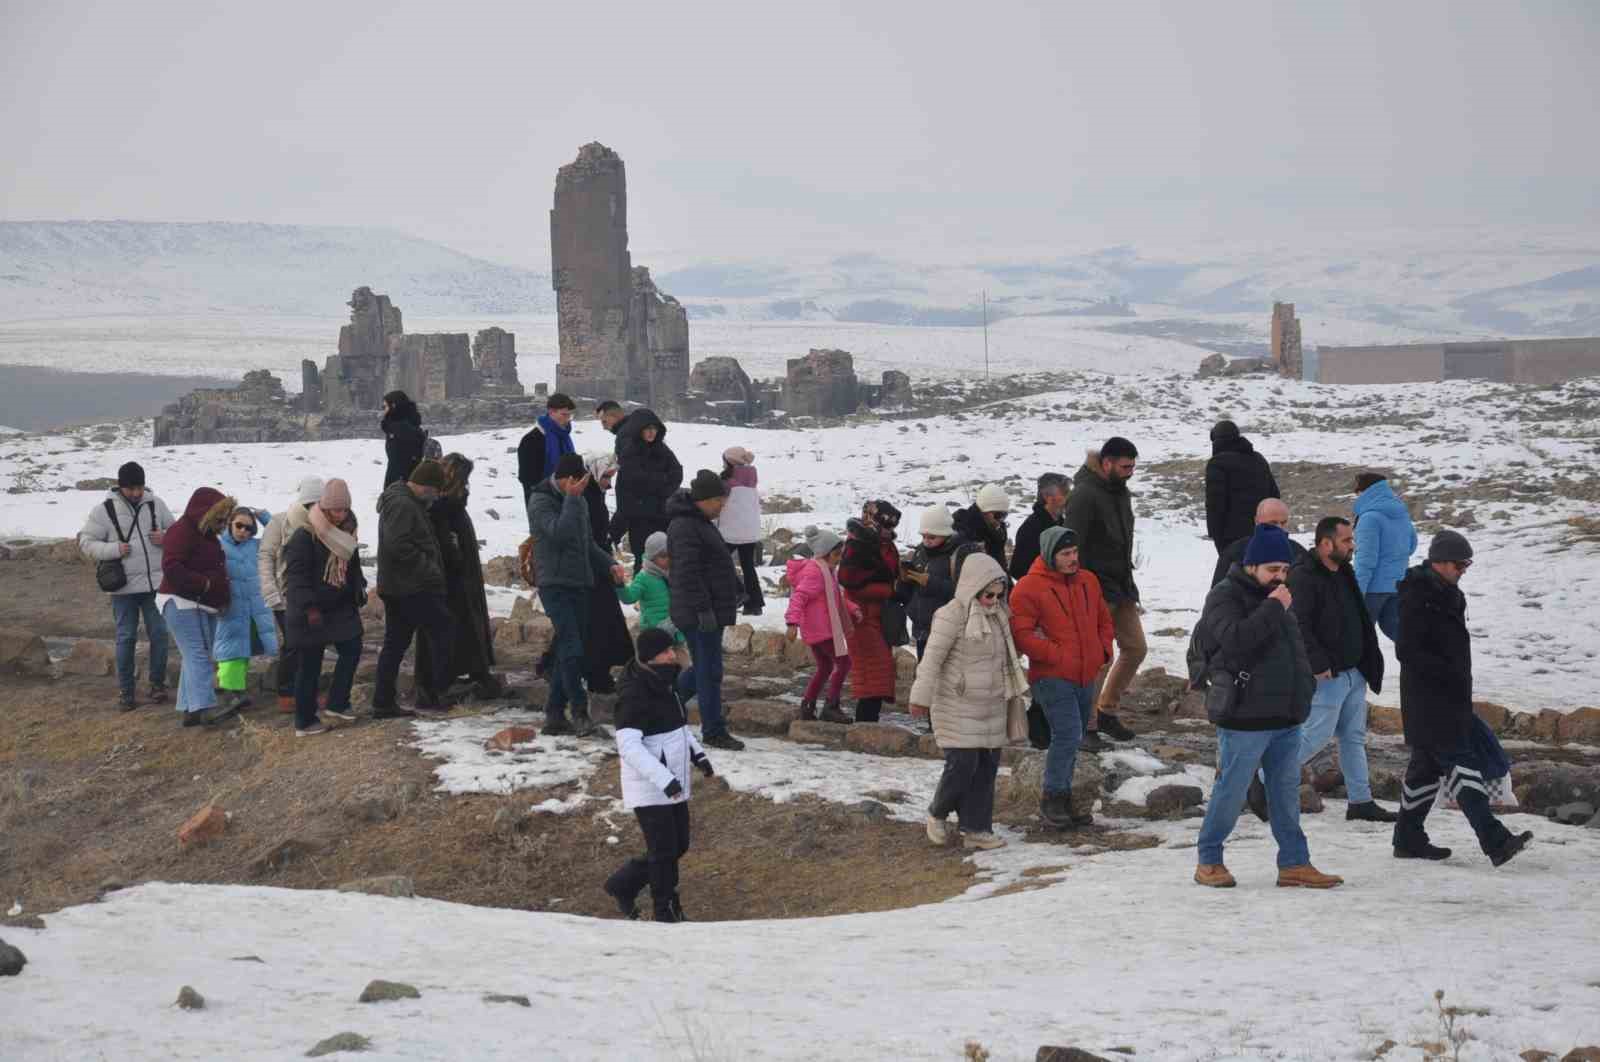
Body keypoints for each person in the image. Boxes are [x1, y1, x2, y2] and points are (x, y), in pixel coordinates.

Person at [1191, 524, 1342, 889]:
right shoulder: (1225, 597)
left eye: (1285, 570)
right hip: (1244, 718)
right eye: (1273, 569)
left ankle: (1294, 863)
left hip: (1286, 717)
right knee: (1230, 792)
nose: (1280, 576)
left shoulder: (1280, 598)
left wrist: (1303, 689)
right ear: (1252, 566)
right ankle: (1208, 859)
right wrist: (1274, 606)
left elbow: (1295, 650)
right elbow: (1237, 640)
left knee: (1285, 793)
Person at [1393, 531, 1532, 867]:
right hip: (1430, 699)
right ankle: (1494, 840)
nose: (1464, 569)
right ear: (1439, 561)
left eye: (1467, 564)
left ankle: (1407, 838)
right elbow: (1406, 650)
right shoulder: (1417, 596)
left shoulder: (1448, 593)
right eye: (1459, 563)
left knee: (1425, 770)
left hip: (1448, 698)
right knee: (1461, 763)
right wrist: (1447, 675)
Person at [911, 553, 1029, 852]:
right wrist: (920, 697)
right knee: (962, 764)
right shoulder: (951, 615)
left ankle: (976, 828)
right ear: (971, 587)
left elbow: (1005, 660)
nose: (992, 600)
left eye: (998, 595)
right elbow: (931, 659)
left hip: (991, 705)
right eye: (987, 594)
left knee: (987, 768)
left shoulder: (999, 616)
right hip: (957, 703)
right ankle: (937, 812)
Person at [1286, 517, 1396, 823]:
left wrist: (1366, 661)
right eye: (1346, 541)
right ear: (1325, 543)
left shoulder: (1344, 571)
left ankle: (1360, 802)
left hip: (1354, 670)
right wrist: (1319, 664)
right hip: (1327, 675)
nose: (1352, 546)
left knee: (1353, 738)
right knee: (1315, 737)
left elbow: (1357, 617)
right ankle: (1261, 780)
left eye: (1352, 540)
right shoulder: (1303, 576)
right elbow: (1298, 624)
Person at [603, 627, 714, 923]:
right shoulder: (634, 693)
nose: (672, 654)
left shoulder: (666, 681)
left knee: (678, 845)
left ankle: (623, 884)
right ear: (652, 657)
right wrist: (664, 779)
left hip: (672, 781)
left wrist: (697, 754)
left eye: (671, 650)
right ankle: (665, 911)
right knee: (664, 850)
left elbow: (678, 727)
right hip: (652, 786)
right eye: (666, 651)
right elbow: (628, 746)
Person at [1010, 526, 1114, 829]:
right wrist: (1056, 654)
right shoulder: (1029, 587)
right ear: (1049, 554)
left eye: (1075, 552)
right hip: (1051, 676)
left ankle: (1064, 801)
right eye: (1065, 554)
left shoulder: (1088, 580)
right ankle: (1052, 800)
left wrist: (1102, 651)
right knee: (1067, 735)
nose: (1073, 559)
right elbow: (1022, 635)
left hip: (1086, 674)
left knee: (1075, 736)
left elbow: (1104, 621)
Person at [527, 453, 630, 737]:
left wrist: (609, 564)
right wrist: (572, 499)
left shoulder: (578, 499)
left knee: (567, 650)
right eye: (575, 483)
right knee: (573, 648)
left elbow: (585, 542)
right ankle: (580, 712)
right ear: (564, 479)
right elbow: (558, 533)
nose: (579, 488)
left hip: (580, 583)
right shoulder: (540, 500)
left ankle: (554, 714)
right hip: (555, 584)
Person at [77, 461, 174, 711]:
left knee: (160, 635)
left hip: (155, 585)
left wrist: (166, 538)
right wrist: (113, 550)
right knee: (126, 638)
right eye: (131, 488)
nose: (136, 493)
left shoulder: (156, 504)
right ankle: (126, 692)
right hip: (123, 589)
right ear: (121, 486)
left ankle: (157, 685)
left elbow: (177, 533)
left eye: (139, 487)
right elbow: (86, 542)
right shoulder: (104, 510)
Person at [1063, 438, 1143, 743]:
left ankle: (1107, 710)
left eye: (1133, 467)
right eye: (1125, 466)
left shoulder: (1118, 491)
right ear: (1107, 463)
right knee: (1099, 656)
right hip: (1094, 587)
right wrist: (1079, 587)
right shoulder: (1084, 495)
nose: (1130, 472)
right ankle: (1086, 724)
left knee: (1135, 648)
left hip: (1121, 585)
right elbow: (1073, 545)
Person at [666, 470, 745, 751]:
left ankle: (664, 703)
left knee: (703, 668)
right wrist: (703, 610)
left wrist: (735, 587)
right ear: (703, 500)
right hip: (698, 612)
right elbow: (689, 573)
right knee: (710, 672)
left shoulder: (699, 522)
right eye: (718, 501)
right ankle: (713, 731)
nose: (721, 506)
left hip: (705, 608)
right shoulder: (685, 526)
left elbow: (715, 561)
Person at [282, 479, 367, 737]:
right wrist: (309, 608)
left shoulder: (348, 532)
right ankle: (304, 722)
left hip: (339, 605)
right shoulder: (305, 535)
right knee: (309, 665)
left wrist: (358, 589)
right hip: (311, 609)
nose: (340, 516)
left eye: (344, 510)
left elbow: (351, 568)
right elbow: (295, 577)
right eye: (335, 511)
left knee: (352, 647)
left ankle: (337, 703)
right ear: (324, 508)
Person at [374, 459, 454, 717]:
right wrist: (429, 568)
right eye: (436, 490)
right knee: (440, 632)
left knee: (396, 643)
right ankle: (432, 694)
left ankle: (384, 702)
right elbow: (399, 545)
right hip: (411, 586)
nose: (437, 496)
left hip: (402, 585)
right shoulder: (403, 504)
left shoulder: (402, 500)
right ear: (426, 486)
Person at [415, 455, 499, 700]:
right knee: (453, 622)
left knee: (463, 619)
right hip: (450, 575)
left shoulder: (449, 504)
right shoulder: (441, 508)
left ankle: (463, 671)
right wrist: (456, 559)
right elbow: (443, 543)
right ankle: (445, 679)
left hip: (460, 572)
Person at [157, 487, 236, 728]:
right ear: (206, 513)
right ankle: (204, 707)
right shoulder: (181, 532)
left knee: (195, 655)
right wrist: (205, 584)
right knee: (197, 655)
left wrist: (218, 596)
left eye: (225, 520)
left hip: (201, 603)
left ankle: (190, 709)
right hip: (179, 601)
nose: (223, 524)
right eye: (220, 519)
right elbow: (172, 567)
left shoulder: (206, 535)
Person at [258, 476, 323, 714]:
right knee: (295, 644)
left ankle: (304, 691)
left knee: (312, 643)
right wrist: (270, 591)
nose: (313, 508)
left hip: (311, 594)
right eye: (310, 503)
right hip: (283, 596)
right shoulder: (279, 522)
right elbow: (266, 556)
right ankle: (287, 693)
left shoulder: (324, 523)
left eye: (317, 503)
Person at [785, 528, 861, 725]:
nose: (839, 559)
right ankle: (831, 706)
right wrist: (791, 622)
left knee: (825, 666)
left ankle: (808, 705)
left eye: (840, 554)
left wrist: (852, 608)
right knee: (844, 663)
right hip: (822, 630)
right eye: (836, 555)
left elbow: (835, 596)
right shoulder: (816, 573)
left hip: (818, 629)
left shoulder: (827, 571)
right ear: (825, 553)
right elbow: (798, 597)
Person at [837, 500, 903, 723]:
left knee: (878, 670)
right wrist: (887, 590)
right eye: (885, 526)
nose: (889, 531)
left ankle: (867, 722)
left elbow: (889, 573)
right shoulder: (858, 545)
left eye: (892, 527)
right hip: (861, 616)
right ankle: (865, 724)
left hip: (879, 615)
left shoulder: (885, 545)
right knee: (873, 669)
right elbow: (847, 580)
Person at [213, 506, 278, 713]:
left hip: (254, 609)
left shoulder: (256, 546)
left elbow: (281, 536)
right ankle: (232, 692)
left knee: (244, 648)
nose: (244, 531)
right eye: (239, 525)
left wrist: (266, 517)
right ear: (230, 523)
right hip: (230, 608)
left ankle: (234, 691)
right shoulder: (218, 545)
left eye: (249, 528)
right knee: (230, 649)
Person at [579, 450, 633, 694]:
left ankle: (596, 673)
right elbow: (587, 539)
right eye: (606, 477)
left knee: (598, 623)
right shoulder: (585, 498)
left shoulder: (594, 495)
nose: (609, 484)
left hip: (599, 566)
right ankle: (595, 675)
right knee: (595, 624)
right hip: (590, 569)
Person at [613, 407, 683, 574]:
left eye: (654, 428)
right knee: (643, 559)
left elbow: (676, 472)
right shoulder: (630, 452)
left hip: (662, 514)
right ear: (639, 430)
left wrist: (661, 486)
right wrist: (660, 480)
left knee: (665, 558)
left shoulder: (662, 449)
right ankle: (644, 599)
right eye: (647, 429)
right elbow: (633, 481)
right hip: (640, 517)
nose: (651, 433)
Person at [1353, 472, 1418, 642]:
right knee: (1403, 637)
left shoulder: (1369, 518)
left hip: (1372, 589)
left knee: (1360, 640)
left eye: (1357, 492)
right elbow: (1411, 546)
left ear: (1364, 492)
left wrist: (1356, 593)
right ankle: (1424, 665)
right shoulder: (1401, 513)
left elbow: (1365, 561)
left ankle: (1364, 669)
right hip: (1397, 585)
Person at [1205, 420, 1281, 555]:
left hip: (1231, 536)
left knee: (1233, 572)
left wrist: (1215, 533)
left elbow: (1215, 504)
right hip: (1262, 531)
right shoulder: (1258, 459)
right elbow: (1274, 495)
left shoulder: (1217, 463)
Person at [901, 506, 962, 659]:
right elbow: (913, 589)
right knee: (925, 675)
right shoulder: (920, 552)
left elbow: (962, 591)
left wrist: (931, 582)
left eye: (932, 537)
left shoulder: (957, 555)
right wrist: (905, 580)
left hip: (945, 630)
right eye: (924, 537)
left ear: (945, 534)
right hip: (921, 628)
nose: (926, 541)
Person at [1211, 498, 1306, 590]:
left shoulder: (1299, 553)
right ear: (1256, 521)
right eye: (1273, 523)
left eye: (1283, 523)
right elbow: (1217, 595)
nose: (1279, 528)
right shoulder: (1235, 552)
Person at [716, 446, 765, 616]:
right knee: (748, 566)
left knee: (719, 561)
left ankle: (738, 592)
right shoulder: (752, 477)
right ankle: (755, 604)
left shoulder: (726, 481)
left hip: (730, 529)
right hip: (750, 531)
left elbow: (719, 503)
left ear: (729, 461)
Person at [618, 531, 679, 643]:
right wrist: (619, 584)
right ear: (651, 558)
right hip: (655, 632)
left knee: (681, 659)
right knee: (661, 659)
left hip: (675, 630)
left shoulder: (672, 572)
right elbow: (629, 597)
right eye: (663, 556)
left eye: (670, 554)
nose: (668, 559)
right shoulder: (644, 577)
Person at [517, 392, 577, 504]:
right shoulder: (531, 440)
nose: (568, 419)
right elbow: (528, 480)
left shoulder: (564, 437)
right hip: (542, 502)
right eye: (564, 415)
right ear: (551, 412)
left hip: (566, 497)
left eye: (570, 415)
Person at [1009, 473, 1069, 581]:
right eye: (1065, 493)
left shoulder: (1063, 523)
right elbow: (1018, 570)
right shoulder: (1031, 529)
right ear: (1047, 497)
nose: (1069, 498)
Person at [952, 483, 1011, 567]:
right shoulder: (962, 530)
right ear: (984, 512)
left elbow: (1001, 565)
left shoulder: (996, 531)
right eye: (998, 515)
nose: (1001, 520)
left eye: (1004, 515)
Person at [380, 391, 427, 488]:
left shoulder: (400, 430)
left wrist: (391, 489)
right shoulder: (406, 426)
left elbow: (399, 464)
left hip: (402, 486)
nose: (383, 411)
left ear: (393, 406)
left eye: (384, 407)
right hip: (408, 484)